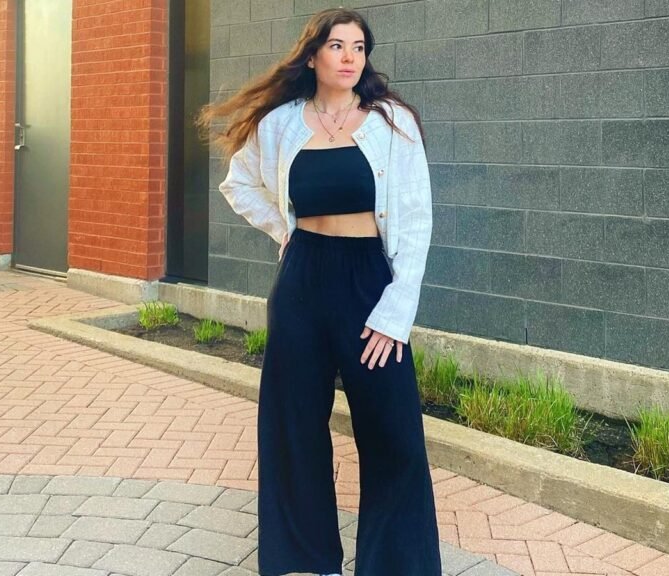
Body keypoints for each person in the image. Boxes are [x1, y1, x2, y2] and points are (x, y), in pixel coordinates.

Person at [197, 7, 440, 576]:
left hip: (369, 282)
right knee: (294, 427)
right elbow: (239, 184)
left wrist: (396, 311)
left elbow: (417, 220)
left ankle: (394, 566)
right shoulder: (282, 122)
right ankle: (306, 561)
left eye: (359, 47)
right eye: (337, 46)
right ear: (312, 56)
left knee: (394, 432)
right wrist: (285, 232)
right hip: (302, 280)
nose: (350, 57)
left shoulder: (392, 122)